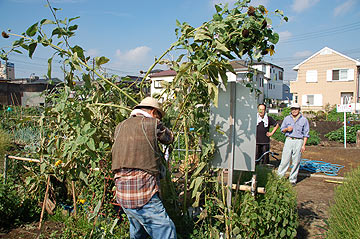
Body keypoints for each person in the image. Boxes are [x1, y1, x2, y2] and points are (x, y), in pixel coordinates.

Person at [112, 97, 177, 239]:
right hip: (142, 191)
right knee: (165, 229)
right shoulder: (152, 124)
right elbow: (169, 138)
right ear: (153, 112)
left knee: (138, 229)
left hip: (122, 191)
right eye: (158, 116)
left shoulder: (120, 126)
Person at [277, 103, 309, 186]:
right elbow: (282, 129)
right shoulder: (287, 118)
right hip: (289, 140)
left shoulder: (304, 120)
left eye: (296, 109)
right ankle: (279, 177)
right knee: (284, 160)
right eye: (292, 109)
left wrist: (303, 145)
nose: (294, 110)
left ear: (299, 109)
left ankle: (292, 179)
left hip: (298, 141)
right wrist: (287, 129)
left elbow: (306, 134)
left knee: (296, 161)